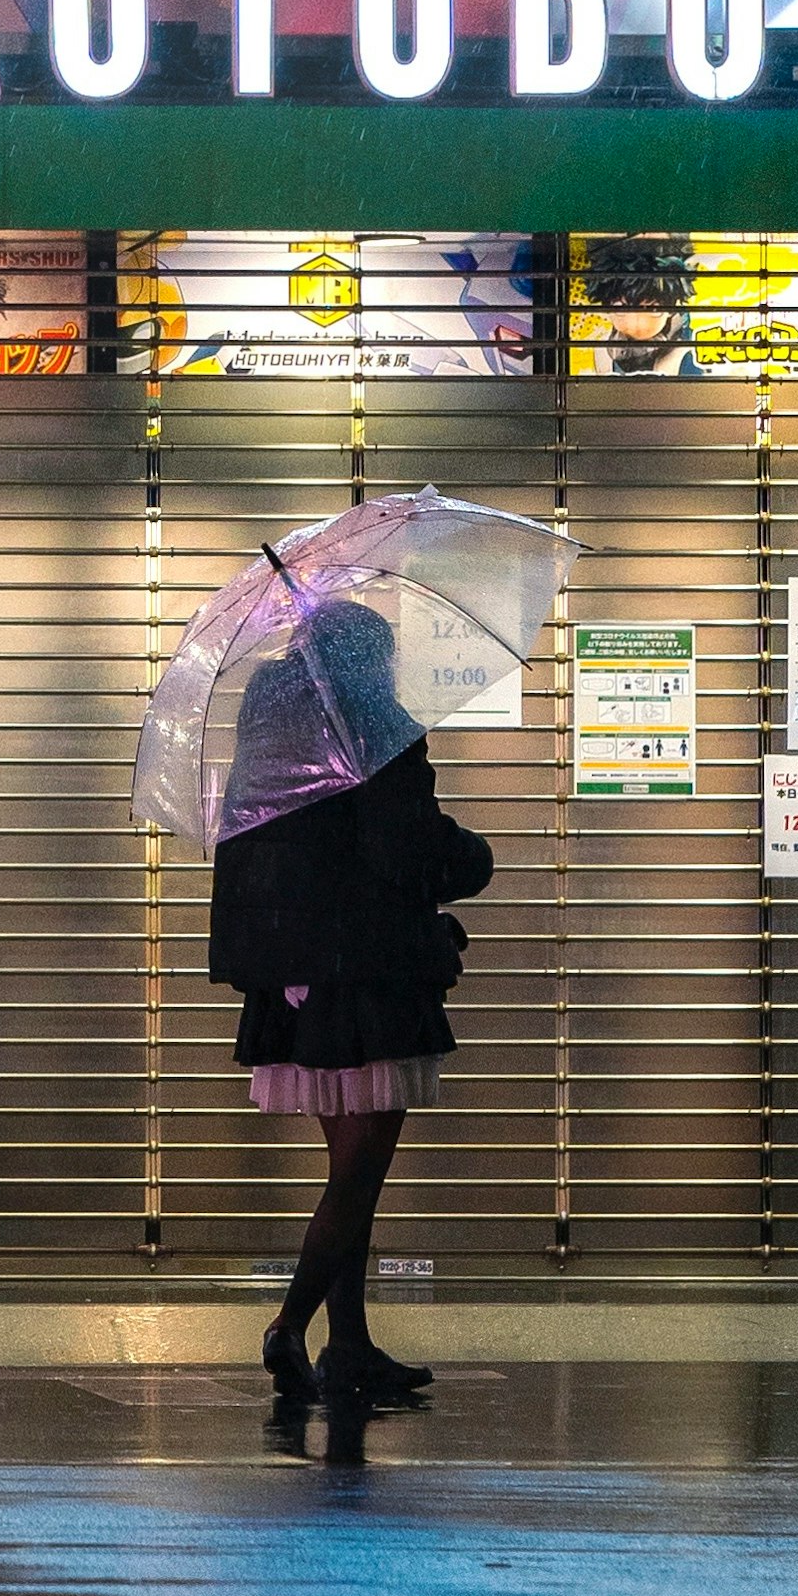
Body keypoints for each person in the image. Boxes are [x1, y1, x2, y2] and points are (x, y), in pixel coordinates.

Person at [204, 603, 492, 1425]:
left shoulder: (273, 726)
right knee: (361, 1175)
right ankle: (292, 1327)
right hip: (367, 980)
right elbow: (406, 851)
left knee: (349, 1174)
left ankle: (352, 1342)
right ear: (371, 659)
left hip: (296, 981)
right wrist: (474, 856)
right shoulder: (375, 727)